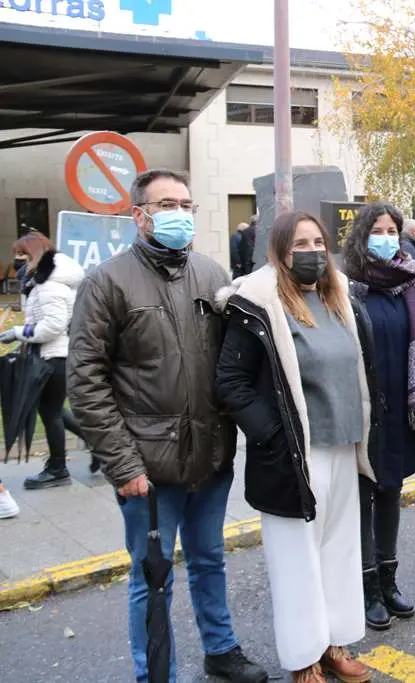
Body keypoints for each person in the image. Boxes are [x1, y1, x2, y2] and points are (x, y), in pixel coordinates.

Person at [67, 169, 268, 683]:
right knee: (151, 578)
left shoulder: (211, 273)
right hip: (148, 469)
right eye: (166, 204)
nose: (179, 213)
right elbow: (86, 383)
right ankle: (156, 672)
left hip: (212, 455)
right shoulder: (106, 282)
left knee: (209, 560)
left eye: (185, 203)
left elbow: (237, 361)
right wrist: (123, 464)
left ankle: (221, 651)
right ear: (140, 215)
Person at [215, 211, 373, 683]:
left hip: (344, 447)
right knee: (296, 561)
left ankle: (334, 641)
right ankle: (304, 658)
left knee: (339, 551)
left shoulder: (336, 298)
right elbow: (231, 383)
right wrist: (275, 436)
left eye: (319, 242)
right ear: (281, 251)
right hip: (293, 458)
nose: (313, 251)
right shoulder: (258, 305)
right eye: (301, 243)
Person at [342, 201, 415, 631]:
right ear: (361, 235)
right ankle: (366, 588)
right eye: (376, 229)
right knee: (363, 498)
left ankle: (388, 578)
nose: (385, 237)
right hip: (362, 413)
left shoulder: (410, 285)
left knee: (391, 494)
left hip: (401, 408)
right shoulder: (344, 286)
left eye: (391, 230)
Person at [0, 232, 85, 489]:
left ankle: (58, 468)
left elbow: (53, 326)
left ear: (35, 255)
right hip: (53, 355)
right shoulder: (43, 283)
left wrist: (17, 333)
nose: (17, 264)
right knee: (53, 410)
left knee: (51, 413)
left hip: (54, 356)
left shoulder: (49, 286)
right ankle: (92, 446)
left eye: (21, 257)